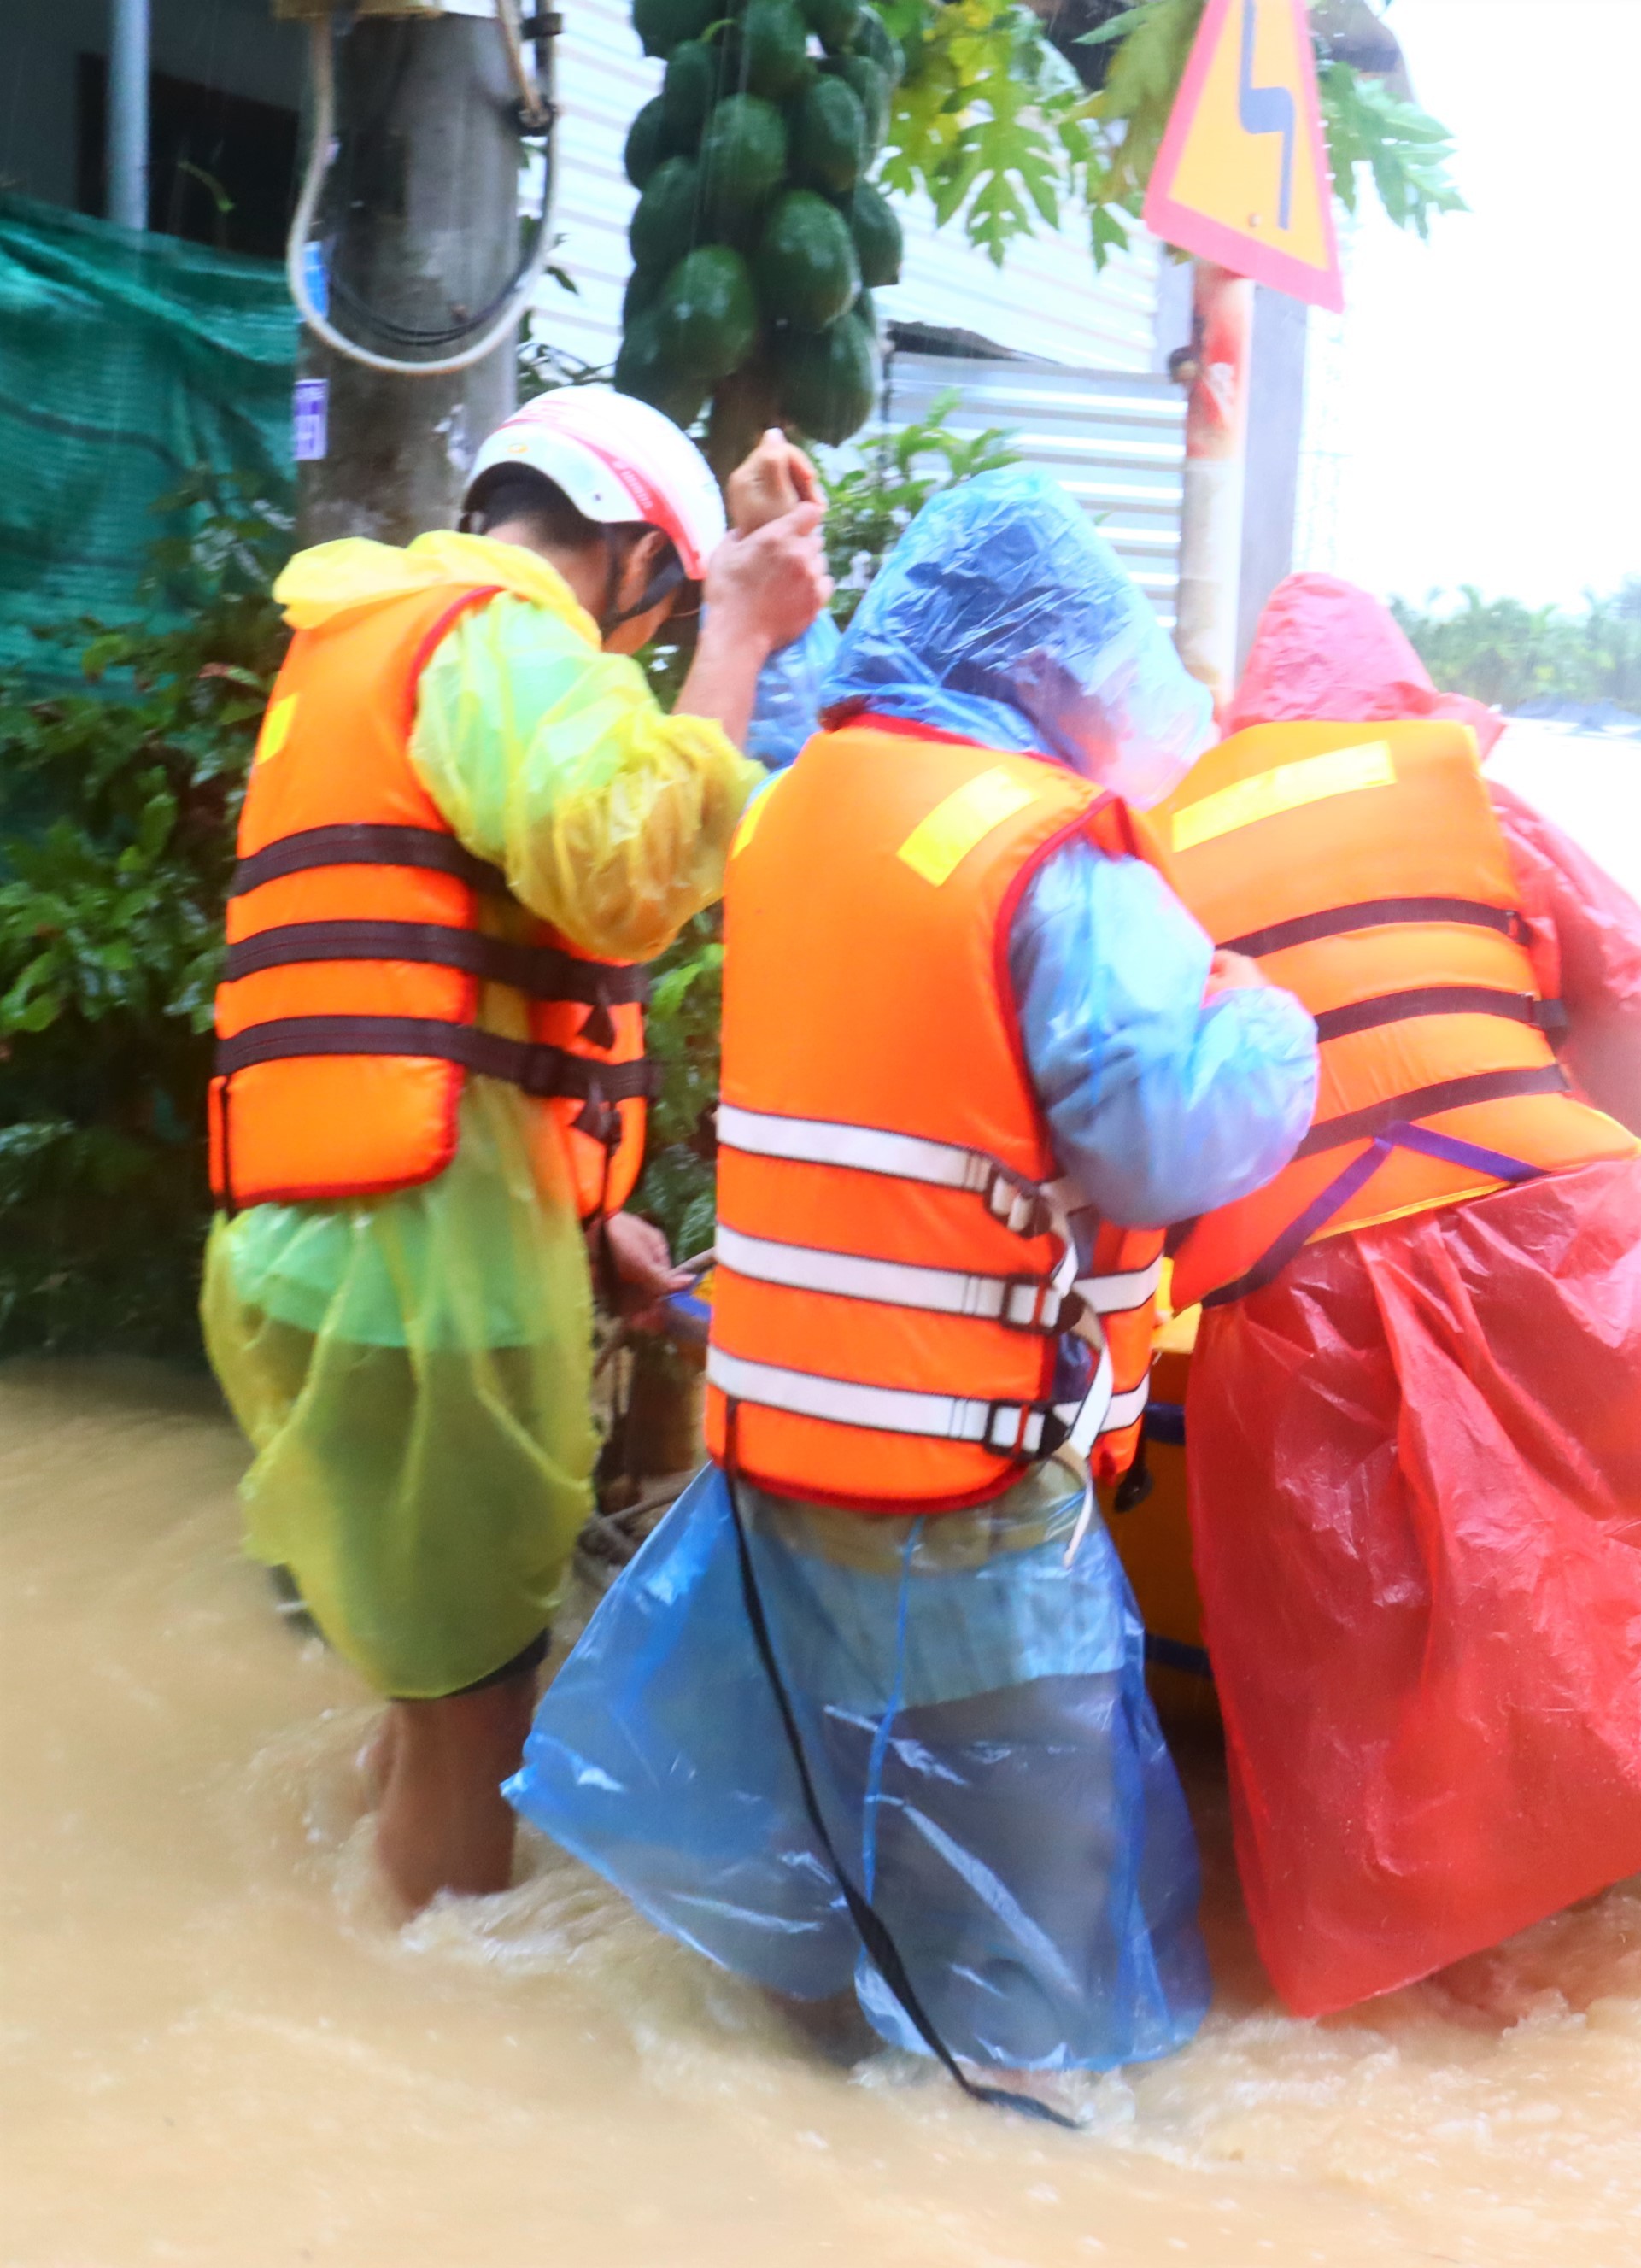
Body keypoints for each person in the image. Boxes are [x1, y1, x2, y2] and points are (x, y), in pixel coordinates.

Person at [508, 471, 1316, 2101]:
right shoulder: (1045, 854)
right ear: (1054, 666)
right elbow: (1165, 1132)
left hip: (784, 1470)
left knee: (844, 1871)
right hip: (967, 1496)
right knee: (1024, 1975)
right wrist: (1264, 1018)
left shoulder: (796, 805)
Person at [1151, 573, 1641, 2018]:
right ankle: (1576, 1938)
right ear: (1408, 699)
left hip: (1297, 1294)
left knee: (1354, 1651)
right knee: (1586, 1585)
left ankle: (1421, 1981)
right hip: (1557, 1252)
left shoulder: (1165, 848)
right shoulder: (1475, 807)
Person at [201, 384, 829, 1915]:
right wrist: (737, 642)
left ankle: (352, 1927)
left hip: (319, 1244)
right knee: (481, 1705)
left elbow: (455, 983)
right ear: (627, 561)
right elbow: (622, 871)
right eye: (660, 615)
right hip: (424, 1268)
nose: (639, 653)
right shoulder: (502, 637)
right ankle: (431, 2041)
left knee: (429, 1682)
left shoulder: (374, 634)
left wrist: (581, 1215)